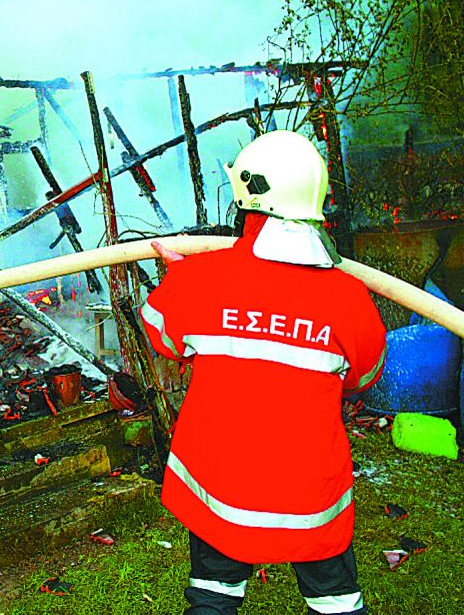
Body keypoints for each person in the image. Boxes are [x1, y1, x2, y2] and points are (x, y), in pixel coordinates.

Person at [140, 130, 387, 615]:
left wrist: (182, 279)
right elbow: (364, 374)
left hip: (221, 493)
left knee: (212, 599)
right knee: (337, 604)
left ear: (246, 199)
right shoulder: (348, 297)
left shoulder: (200, 279)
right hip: (310, 502)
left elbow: (164, 338)